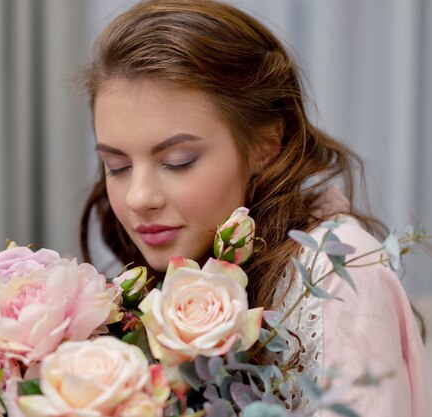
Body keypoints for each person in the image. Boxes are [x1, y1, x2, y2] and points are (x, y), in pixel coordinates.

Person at [78, 1, 431, 416]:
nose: (139, 197)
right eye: (117, 166)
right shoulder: (143, 291)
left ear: (266, 145)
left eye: (178, 161)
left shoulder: (338, 272)